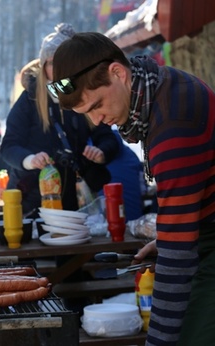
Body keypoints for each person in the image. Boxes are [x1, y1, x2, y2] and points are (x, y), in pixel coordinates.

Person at [51, 31, 215, 345]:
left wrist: (157, 341)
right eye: (88, 113)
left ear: (118, 72)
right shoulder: (158, 88)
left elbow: (179, 257)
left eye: (97, 104)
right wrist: (167, 239)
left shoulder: (172, 123)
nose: (98, 121)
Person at [1, 23, 119, 218]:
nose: (57, 69)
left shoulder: (83, 94)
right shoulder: (30, 98)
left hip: (76, 200)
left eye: (63, 62)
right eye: (51, 62)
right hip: (33, 200)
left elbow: (108, 137)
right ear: (43, 66)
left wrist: (101, 152)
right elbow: (8, 147)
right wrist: (30, 160)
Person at [98, 129, 146, 221]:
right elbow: (143, 190)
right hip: (135, 221)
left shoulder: (96, 159)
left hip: (106, 224)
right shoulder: (132, 156)